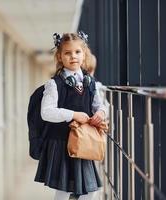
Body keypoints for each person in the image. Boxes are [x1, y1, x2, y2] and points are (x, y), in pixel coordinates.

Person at [34, 32, 107, 200]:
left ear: (84, 54)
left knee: (89, 190)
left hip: (84, 143)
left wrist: (101, 113)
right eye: (67, 53)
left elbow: (99, 105)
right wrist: (73, 114)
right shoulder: (54, 84)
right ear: (60, 56)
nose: (73, 56)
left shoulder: (90, 83)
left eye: (77, 52)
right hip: (62, 143)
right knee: (64, 190)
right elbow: (46, 112)